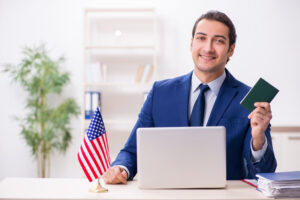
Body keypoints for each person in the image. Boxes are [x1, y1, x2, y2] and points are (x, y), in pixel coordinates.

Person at [103, 10, 277, 184]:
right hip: (167, 194)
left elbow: (264, 173)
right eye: (201, 38)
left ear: (230, 50)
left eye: (218, 41)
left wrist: (258, 138)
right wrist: (120, 168)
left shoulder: (249, 99)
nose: (208, 48)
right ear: (191, 43)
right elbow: (132, 151)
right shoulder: (160, 93)